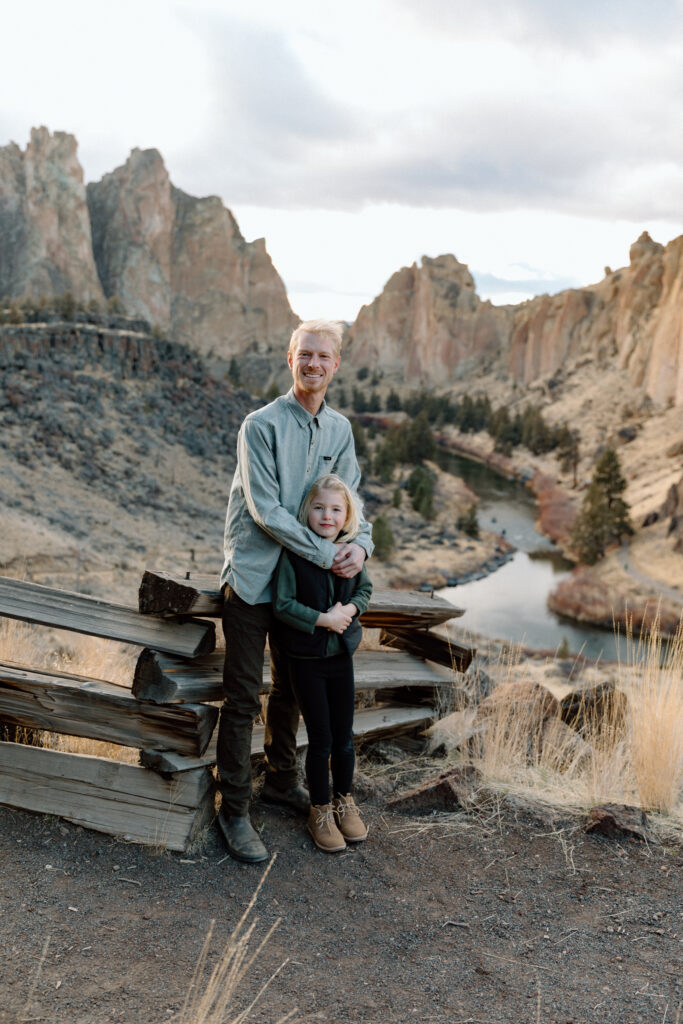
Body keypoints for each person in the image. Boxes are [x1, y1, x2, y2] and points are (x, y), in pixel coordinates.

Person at [217, 319, 374, 863]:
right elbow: (266, 510)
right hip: (256, 577)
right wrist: (330, 552)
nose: (313, 364)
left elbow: (351, 500)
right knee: (242, 697)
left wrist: (363, 544)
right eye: (304, 354)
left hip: (305, 585)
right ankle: (234, 810)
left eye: (323, 356)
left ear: (336, 365)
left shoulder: (339, 431)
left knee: (288, 691)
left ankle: (282, 782)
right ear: (291, 361)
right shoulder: (259, 425)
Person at [272, 474, 373, 853]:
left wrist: (347, 609)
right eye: (319, 508)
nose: (326, 516)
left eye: (335, 509)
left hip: (340, 658)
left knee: (344, 736)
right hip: (306, 659)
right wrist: (323, 619)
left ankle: (345, 799)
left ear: (346, 515)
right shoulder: (294, 555)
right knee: (321, 739)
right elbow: (282, 604)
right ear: (307, 512)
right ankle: (320, 809)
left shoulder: (350, 553)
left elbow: (365, 589)